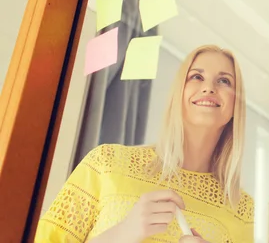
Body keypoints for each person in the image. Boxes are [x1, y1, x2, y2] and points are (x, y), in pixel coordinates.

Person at [35, 45, 254, 243]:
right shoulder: (106, 163)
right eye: (196, 76)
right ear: (179, 91)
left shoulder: (244, 212)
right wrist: (121, 234)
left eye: (224, 81)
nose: (209, 87)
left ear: (236, 104)